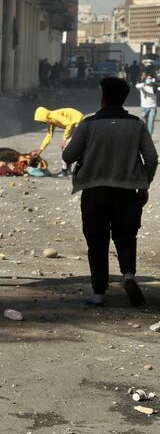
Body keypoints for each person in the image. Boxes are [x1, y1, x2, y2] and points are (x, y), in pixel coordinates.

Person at [62, 77, 157, 307]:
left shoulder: (88, 124)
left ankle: (98, 293)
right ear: (124, 98)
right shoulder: (136, 124)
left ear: (103, 98)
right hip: (127, 191)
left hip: (94, 191)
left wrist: (67, 148)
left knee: (97, 240)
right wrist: (145, 183)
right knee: (125, 236)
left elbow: (69, 156)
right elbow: (152, 158)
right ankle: (129, 276)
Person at [33, 106, 84, 177]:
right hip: (72, 125)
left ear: (43, 117)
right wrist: (40, 149)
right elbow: (49, 136)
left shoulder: (54, 116)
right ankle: (65, 170)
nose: (42, 123)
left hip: (77, 121)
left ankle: (67, 170)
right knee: (67, 147)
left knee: (68, 146)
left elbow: (68, 124)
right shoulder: (50, 120)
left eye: (41, 121)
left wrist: (64, 139)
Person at [135, 66, 157, 135]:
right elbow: (137, 86)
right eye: (148, 78)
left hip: (153, 107)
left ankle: (149, 137)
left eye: (150, 79)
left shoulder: (155, 87)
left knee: (150, 122)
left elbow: (154, 91)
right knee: (143, 123)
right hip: (145, 107)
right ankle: (143, 136)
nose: (149, 79)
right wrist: (145, 84)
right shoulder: (142, 85)